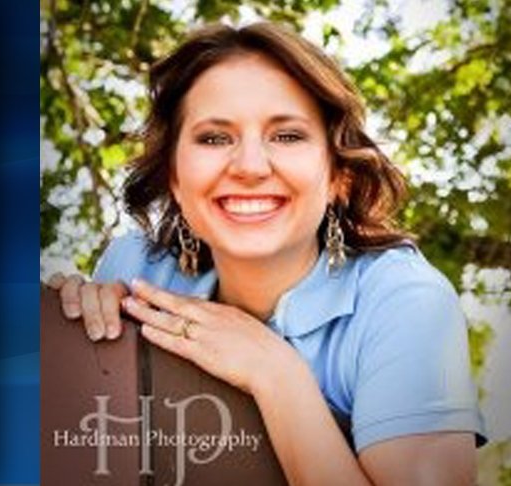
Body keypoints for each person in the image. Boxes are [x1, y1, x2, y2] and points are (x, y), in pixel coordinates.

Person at [48, 21, 484, 485]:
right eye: (214, 138)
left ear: (339, 176)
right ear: (174, 176)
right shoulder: (134, 269)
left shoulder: (405, 300)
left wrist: (275, 374)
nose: (250, 167)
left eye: (287, 136)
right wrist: (64, 329)